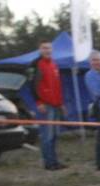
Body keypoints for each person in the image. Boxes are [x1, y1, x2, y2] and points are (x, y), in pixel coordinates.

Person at [27, 41, 66, 170]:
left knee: (54, 135)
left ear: (52, 49)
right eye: (44, 48)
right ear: (39, 49)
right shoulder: (35, 64)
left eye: (49, 48)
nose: (47, 50)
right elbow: (32, 85)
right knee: (47, 135)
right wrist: (38, 102)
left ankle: (54, 161)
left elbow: (58, 85)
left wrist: (61, 103)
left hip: (56, 105)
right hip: (45, 105)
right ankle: (49, 163)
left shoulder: (54, 64)